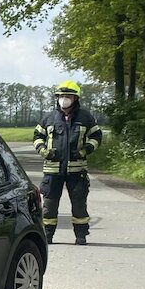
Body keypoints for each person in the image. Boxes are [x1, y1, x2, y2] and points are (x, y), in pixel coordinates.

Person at [33, 80, 103, 245]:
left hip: (77, 170)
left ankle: (81, 236)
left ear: (75, 98)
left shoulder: (85, 117)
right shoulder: (49, 117)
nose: (64, 99)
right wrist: (43, 150)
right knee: (49, 205)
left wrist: (86, 150)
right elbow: (37, 136)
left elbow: (97, 136)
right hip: (52, 170)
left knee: (79, 204)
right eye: (61, 96)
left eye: (68, 96)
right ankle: (47, 236)